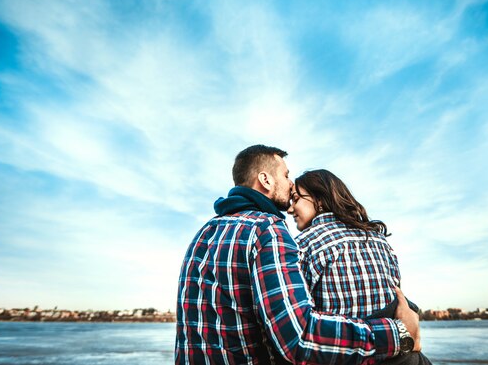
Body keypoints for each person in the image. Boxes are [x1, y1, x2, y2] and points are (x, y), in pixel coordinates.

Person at [175, 145, 421, 364]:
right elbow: (299, 337)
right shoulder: (266, 229)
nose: (290, 183)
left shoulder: (202, 234)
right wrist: (399, 333)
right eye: (285, 175)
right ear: (266, 180)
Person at [289, 169, 431, 364]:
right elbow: (397, 300)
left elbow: (299, 326)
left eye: (295, 199)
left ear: (319, 199)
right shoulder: (378, 239)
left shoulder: (301, 246)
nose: (290, 209)